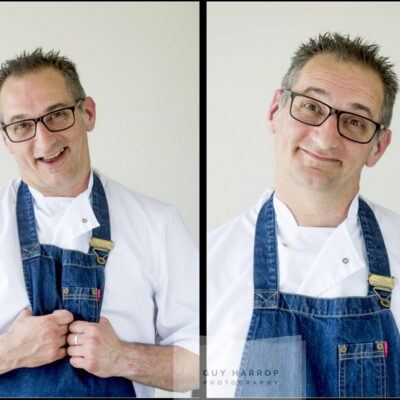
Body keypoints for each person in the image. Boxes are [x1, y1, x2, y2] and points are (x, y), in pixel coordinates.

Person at [207, 32, 400, 398]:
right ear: (274, 112)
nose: (326, 137)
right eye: (312, 106)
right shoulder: (209, 263)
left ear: (378, 147)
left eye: (355, 122)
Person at [0, 48, 199, 397]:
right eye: (22, 125)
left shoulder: (157, 224)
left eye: (57, 115)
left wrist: (123, 358)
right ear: (6, 139)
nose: (44, 140)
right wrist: (9, 353)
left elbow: (209, 367)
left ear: (87, 113)